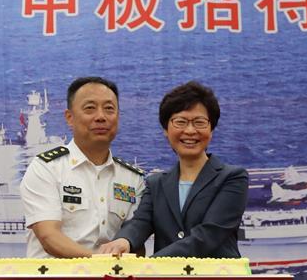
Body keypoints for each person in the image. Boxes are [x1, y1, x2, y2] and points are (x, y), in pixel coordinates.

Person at [99, 81, 248, 258]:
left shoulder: (232, 178)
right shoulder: (156, 183)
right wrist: (123, 241)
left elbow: (208, 235)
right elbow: (140, 222)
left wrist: (152, 264)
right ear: (166, 130)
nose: (190, 131)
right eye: (180, 122)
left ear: (212, 129)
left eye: (199, 122)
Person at [21, 77, 146, 258]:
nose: (101, 117)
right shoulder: (46, 168)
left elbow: (135, 240)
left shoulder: (132, 178)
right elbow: (49, 236)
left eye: (109, 109)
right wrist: (97, 263)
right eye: (90, 108)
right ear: (69, 118)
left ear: (118, 117)